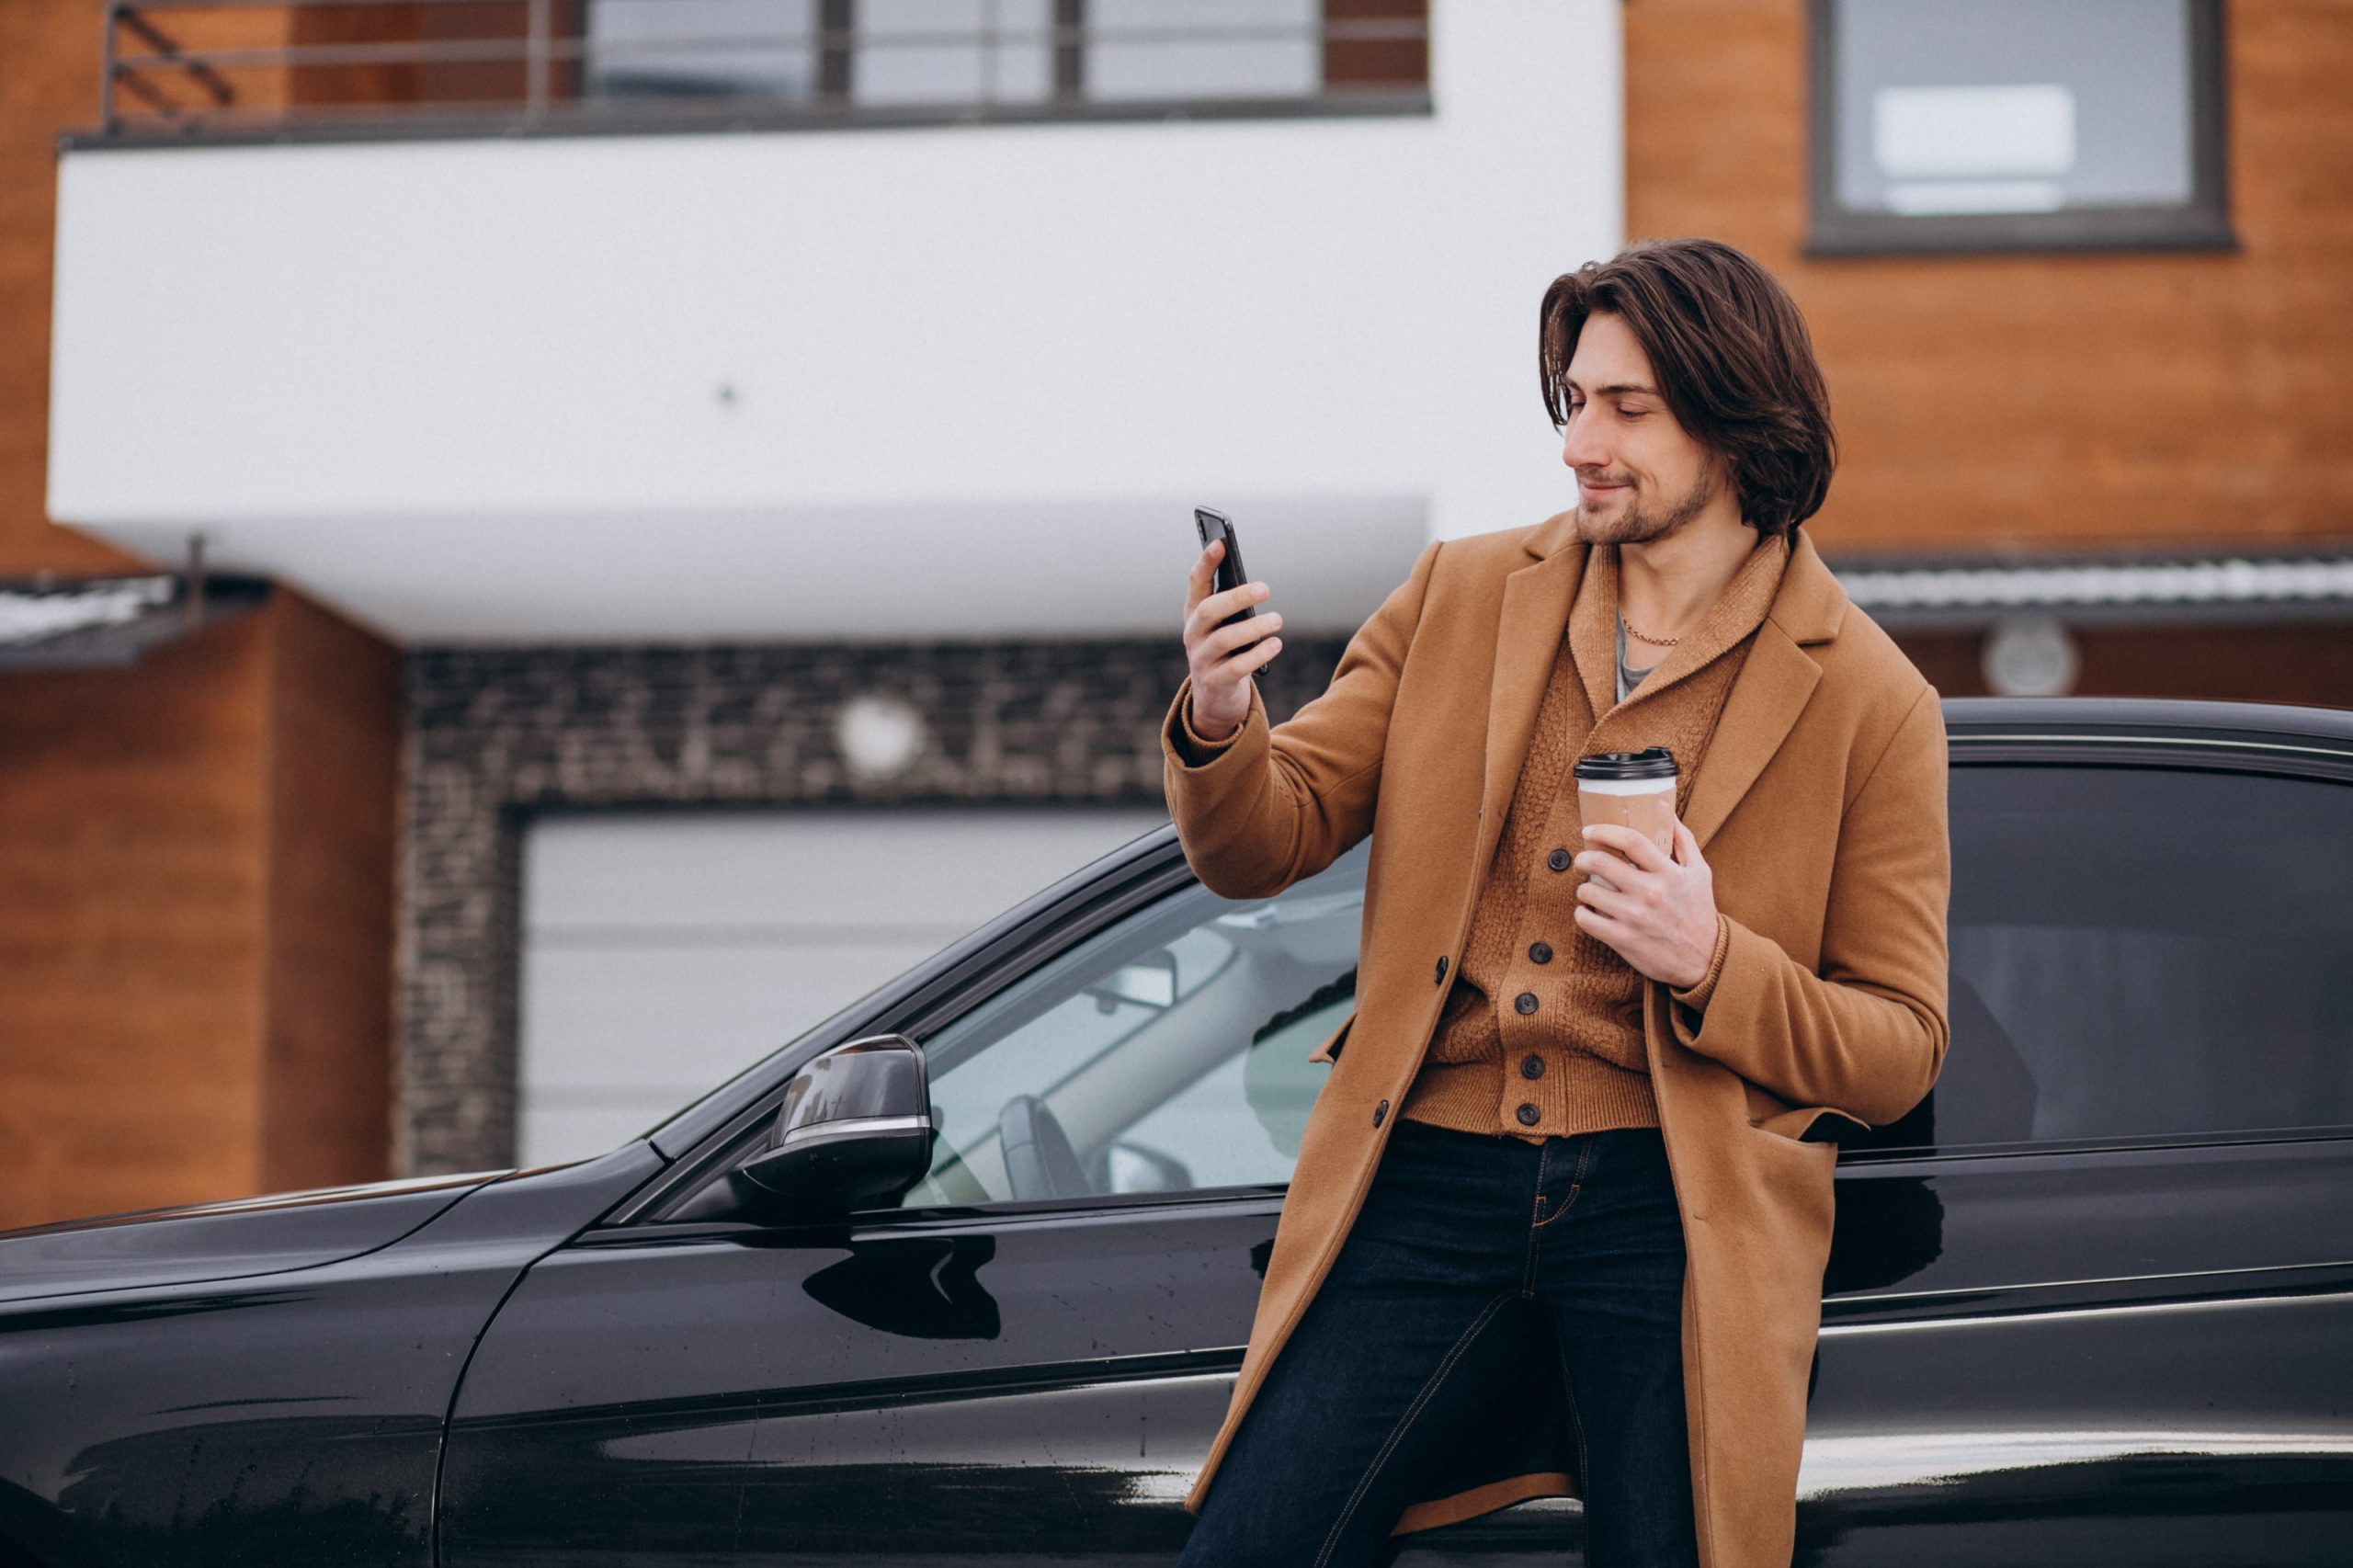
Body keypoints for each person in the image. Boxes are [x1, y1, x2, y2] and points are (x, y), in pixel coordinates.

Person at [1162, 237, 1951, 1568]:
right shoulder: (1459, 594)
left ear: (1737, 418)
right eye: (1574, 401)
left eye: (1626, 409)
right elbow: (1267, 836)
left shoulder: (1873, 697)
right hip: (1425, 1174)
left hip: (1671, 1206)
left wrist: (1712, 961)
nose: (1581, 439)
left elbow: (1898, 1047)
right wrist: (1223, 715)